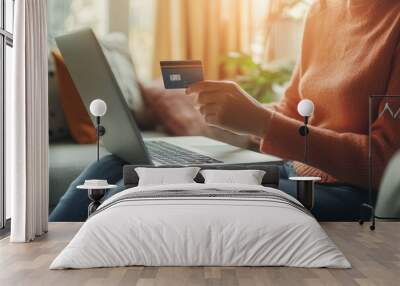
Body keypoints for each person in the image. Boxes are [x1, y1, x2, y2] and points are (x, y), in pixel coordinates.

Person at [50, 0, 400, 222]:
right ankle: (44, 257)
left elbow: (384, 164)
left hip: (348, 192)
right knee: (114, 164)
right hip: (293, 169)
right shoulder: (323, 10)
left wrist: (262, 123)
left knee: (134, 194)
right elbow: (291, 109)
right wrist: (233, 117)